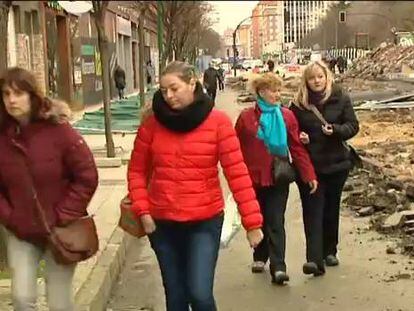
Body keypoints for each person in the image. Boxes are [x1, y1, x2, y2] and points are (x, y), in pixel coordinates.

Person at [128, 61, 263, 311]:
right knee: (176, 298)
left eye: (174, 88)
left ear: (192, 83)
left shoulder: (218, 123)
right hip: (162, 224)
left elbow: (237, 173)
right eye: (163, 90)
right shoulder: (152, 125)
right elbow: (136, 171)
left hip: (204, 222)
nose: (168, 96)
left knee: (200, 294)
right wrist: (143, 212)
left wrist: (252, 223)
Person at [0, 67, 98, 310]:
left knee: (59, 302)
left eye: (18, 93)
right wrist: (9, 216)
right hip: (20, 231)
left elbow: (87, 176)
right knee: (22, 298)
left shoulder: (59, 130)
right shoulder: (2, 135)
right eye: (6, 94)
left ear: (33, 95)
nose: (12, 100)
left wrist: (63, 214)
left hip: (60, 229)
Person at [235, 73, 318, 285]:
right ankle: (259, 256)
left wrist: (308, 174)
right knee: (258, 218)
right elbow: (234, 148)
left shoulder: (287, 116)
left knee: (275, 220)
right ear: (261, 92)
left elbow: (296, 148)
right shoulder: (246, 118)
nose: (277, 94)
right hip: (252, 178)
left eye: (279, 90)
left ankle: (278, 267)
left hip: (277, 177)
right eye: (273, 90)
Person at [290, 60, 359, 270]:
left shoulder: (341, 97)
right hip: (310, 167)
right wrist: (300, 136)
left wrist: (336, 130)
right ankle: (314, 258)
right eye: (312, 78)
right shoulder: (298, 104)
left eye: (320, 76)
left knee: (331, 209)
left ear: (327, 77)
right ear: (306, 81)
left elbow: (353, 126)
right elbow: (292, 130)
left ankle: (330, 251)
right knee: (312, 211)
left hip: (337, 164)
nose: (317, 81)